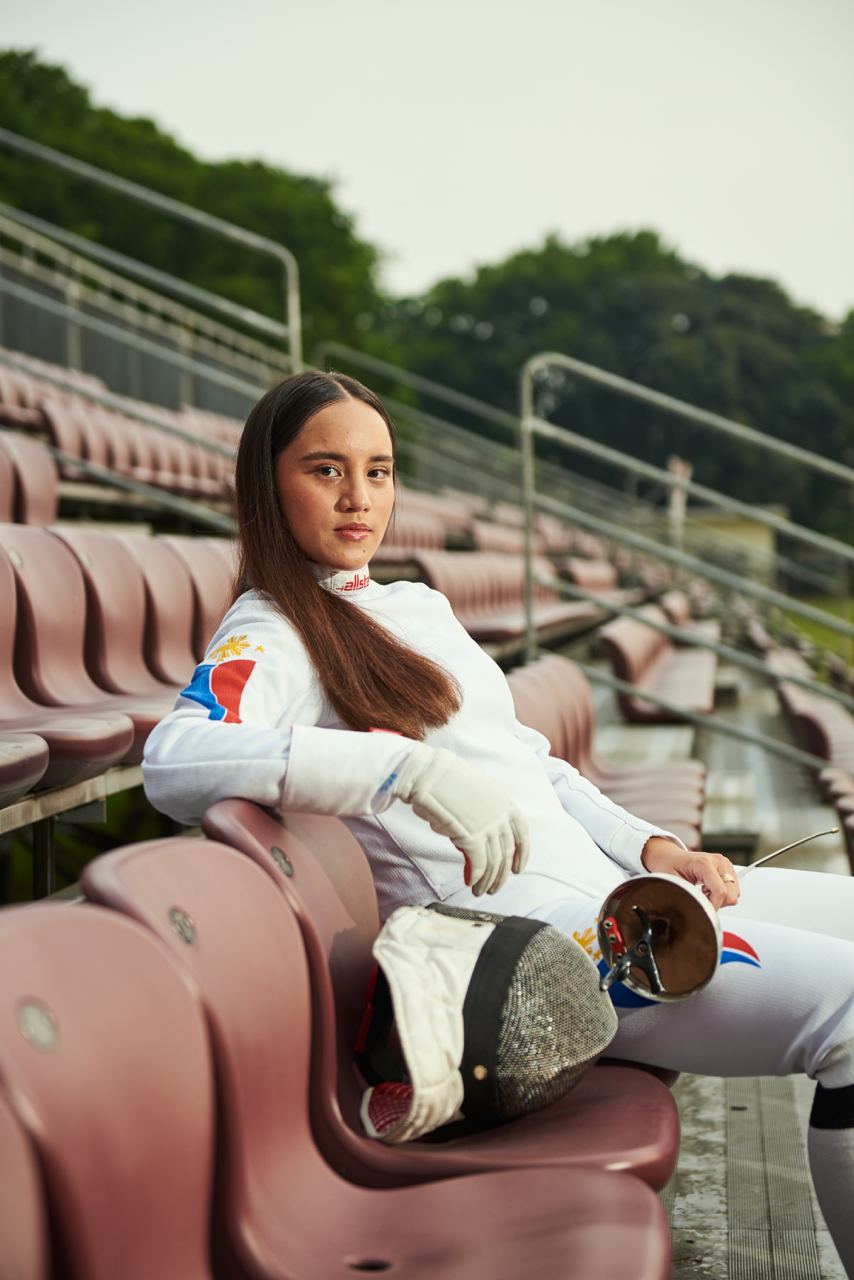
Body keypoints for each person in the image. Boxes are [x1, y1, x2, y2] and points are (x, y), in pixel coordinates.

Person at [143, 370, 854, 1274]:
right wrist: (403, 766)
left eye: (379, 469)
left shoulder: (416, 606)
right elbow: (175, 758)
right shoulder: (273, 630)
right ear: (265, 483)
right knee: (849, 1013)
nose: (360, 497)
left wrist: (652, 845)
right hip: (550, 948)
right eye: (325, 470)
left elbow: (532, 759)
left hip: (622, 891)